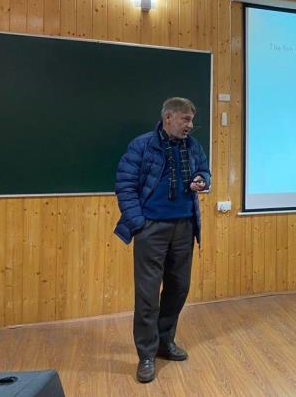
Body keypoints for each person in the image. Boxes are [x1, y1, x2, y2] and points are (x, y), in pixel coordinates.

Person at [113, 97, 210, 383]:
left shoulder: (193, 146)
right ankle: (146, 354)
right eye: (185, 119)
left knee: (179, 287)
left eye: (192, 120)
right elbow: (124, 185)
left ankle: (164, 342)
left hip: (184, 227)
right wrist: (139, 224)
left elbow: (205, 170)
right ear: (168, 117)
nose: (190, 125)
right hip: (151, 229)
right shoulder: (142, 145)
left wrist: (202, 179)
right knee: (147, 295)